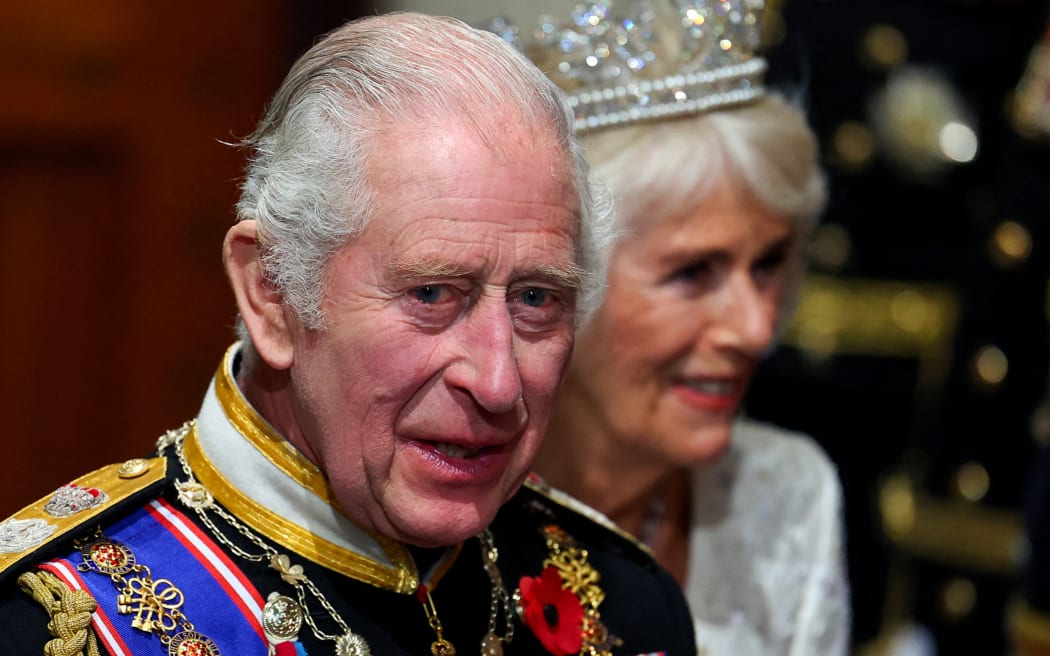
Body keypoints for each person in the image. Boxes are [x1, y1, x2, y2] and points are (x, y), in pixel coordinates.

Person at [0, 12, 697, 656]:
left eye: (537, 299)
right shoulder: (58, 625)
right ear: (271, 292)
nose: (497, 380)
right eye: (431, 293)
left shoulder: (624, 603)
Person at [503, 0, 852, 653]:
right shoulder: (440, 503)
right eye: (693, 273)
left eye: (770, 264)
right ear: (555, 287)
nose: (755, 328)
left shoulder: (785, 496)